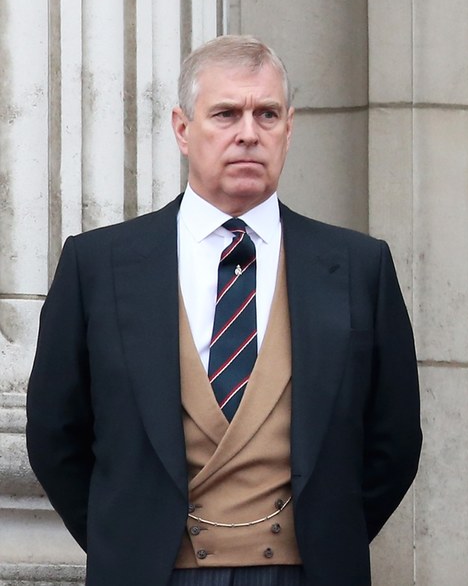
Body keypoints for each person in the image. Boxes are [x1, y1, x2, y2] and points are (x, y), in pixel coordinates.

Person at [25, 35, 423, 586]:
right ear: (183, 129)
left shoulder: (359, 266)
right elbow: (54, 433)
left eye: (267, 114)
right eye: (226, 114)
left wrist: (329, 535)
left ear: (289, 128)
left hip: (304, 572)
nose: (248, 133)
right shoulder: (99, 264)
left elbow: (394, 441)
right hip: (152, 571)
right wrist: (129, 538)